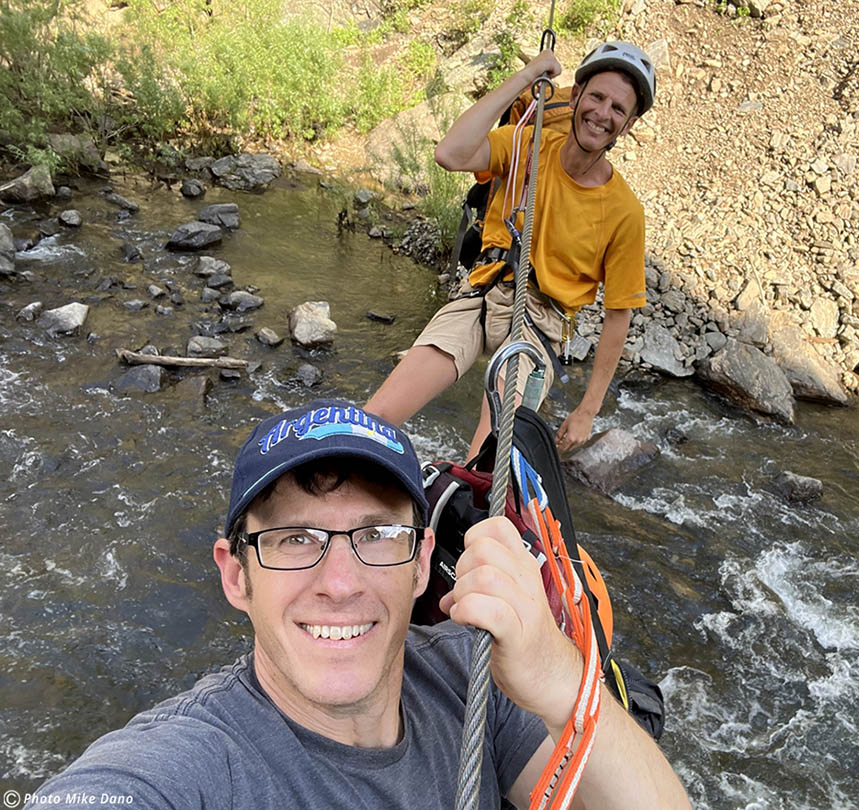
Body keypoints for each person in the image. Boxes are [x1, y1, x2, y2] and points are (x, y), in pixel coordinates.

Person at [27, 399, 690, 810]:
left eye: (376, 535)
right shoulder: (183, 770)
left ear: (423, 559)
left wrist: (557, 677)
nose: (339, 582)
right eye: (293, 540)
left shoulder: (472, 677)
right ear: (236, 578)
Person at [365, 42, 655, 458]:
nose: (602, 113)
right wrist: (525, 76)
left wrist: (587, 410)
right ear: (574, 96)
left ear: (626, 126)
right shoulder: (526, 147)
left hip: (540, 325)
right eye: (596, 96)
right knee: (375, 418)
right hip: (481, 295)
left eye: (618, 109)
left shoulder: (624, 211)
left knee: (488, 459)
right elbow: (450, 153)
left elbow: (619, 314)